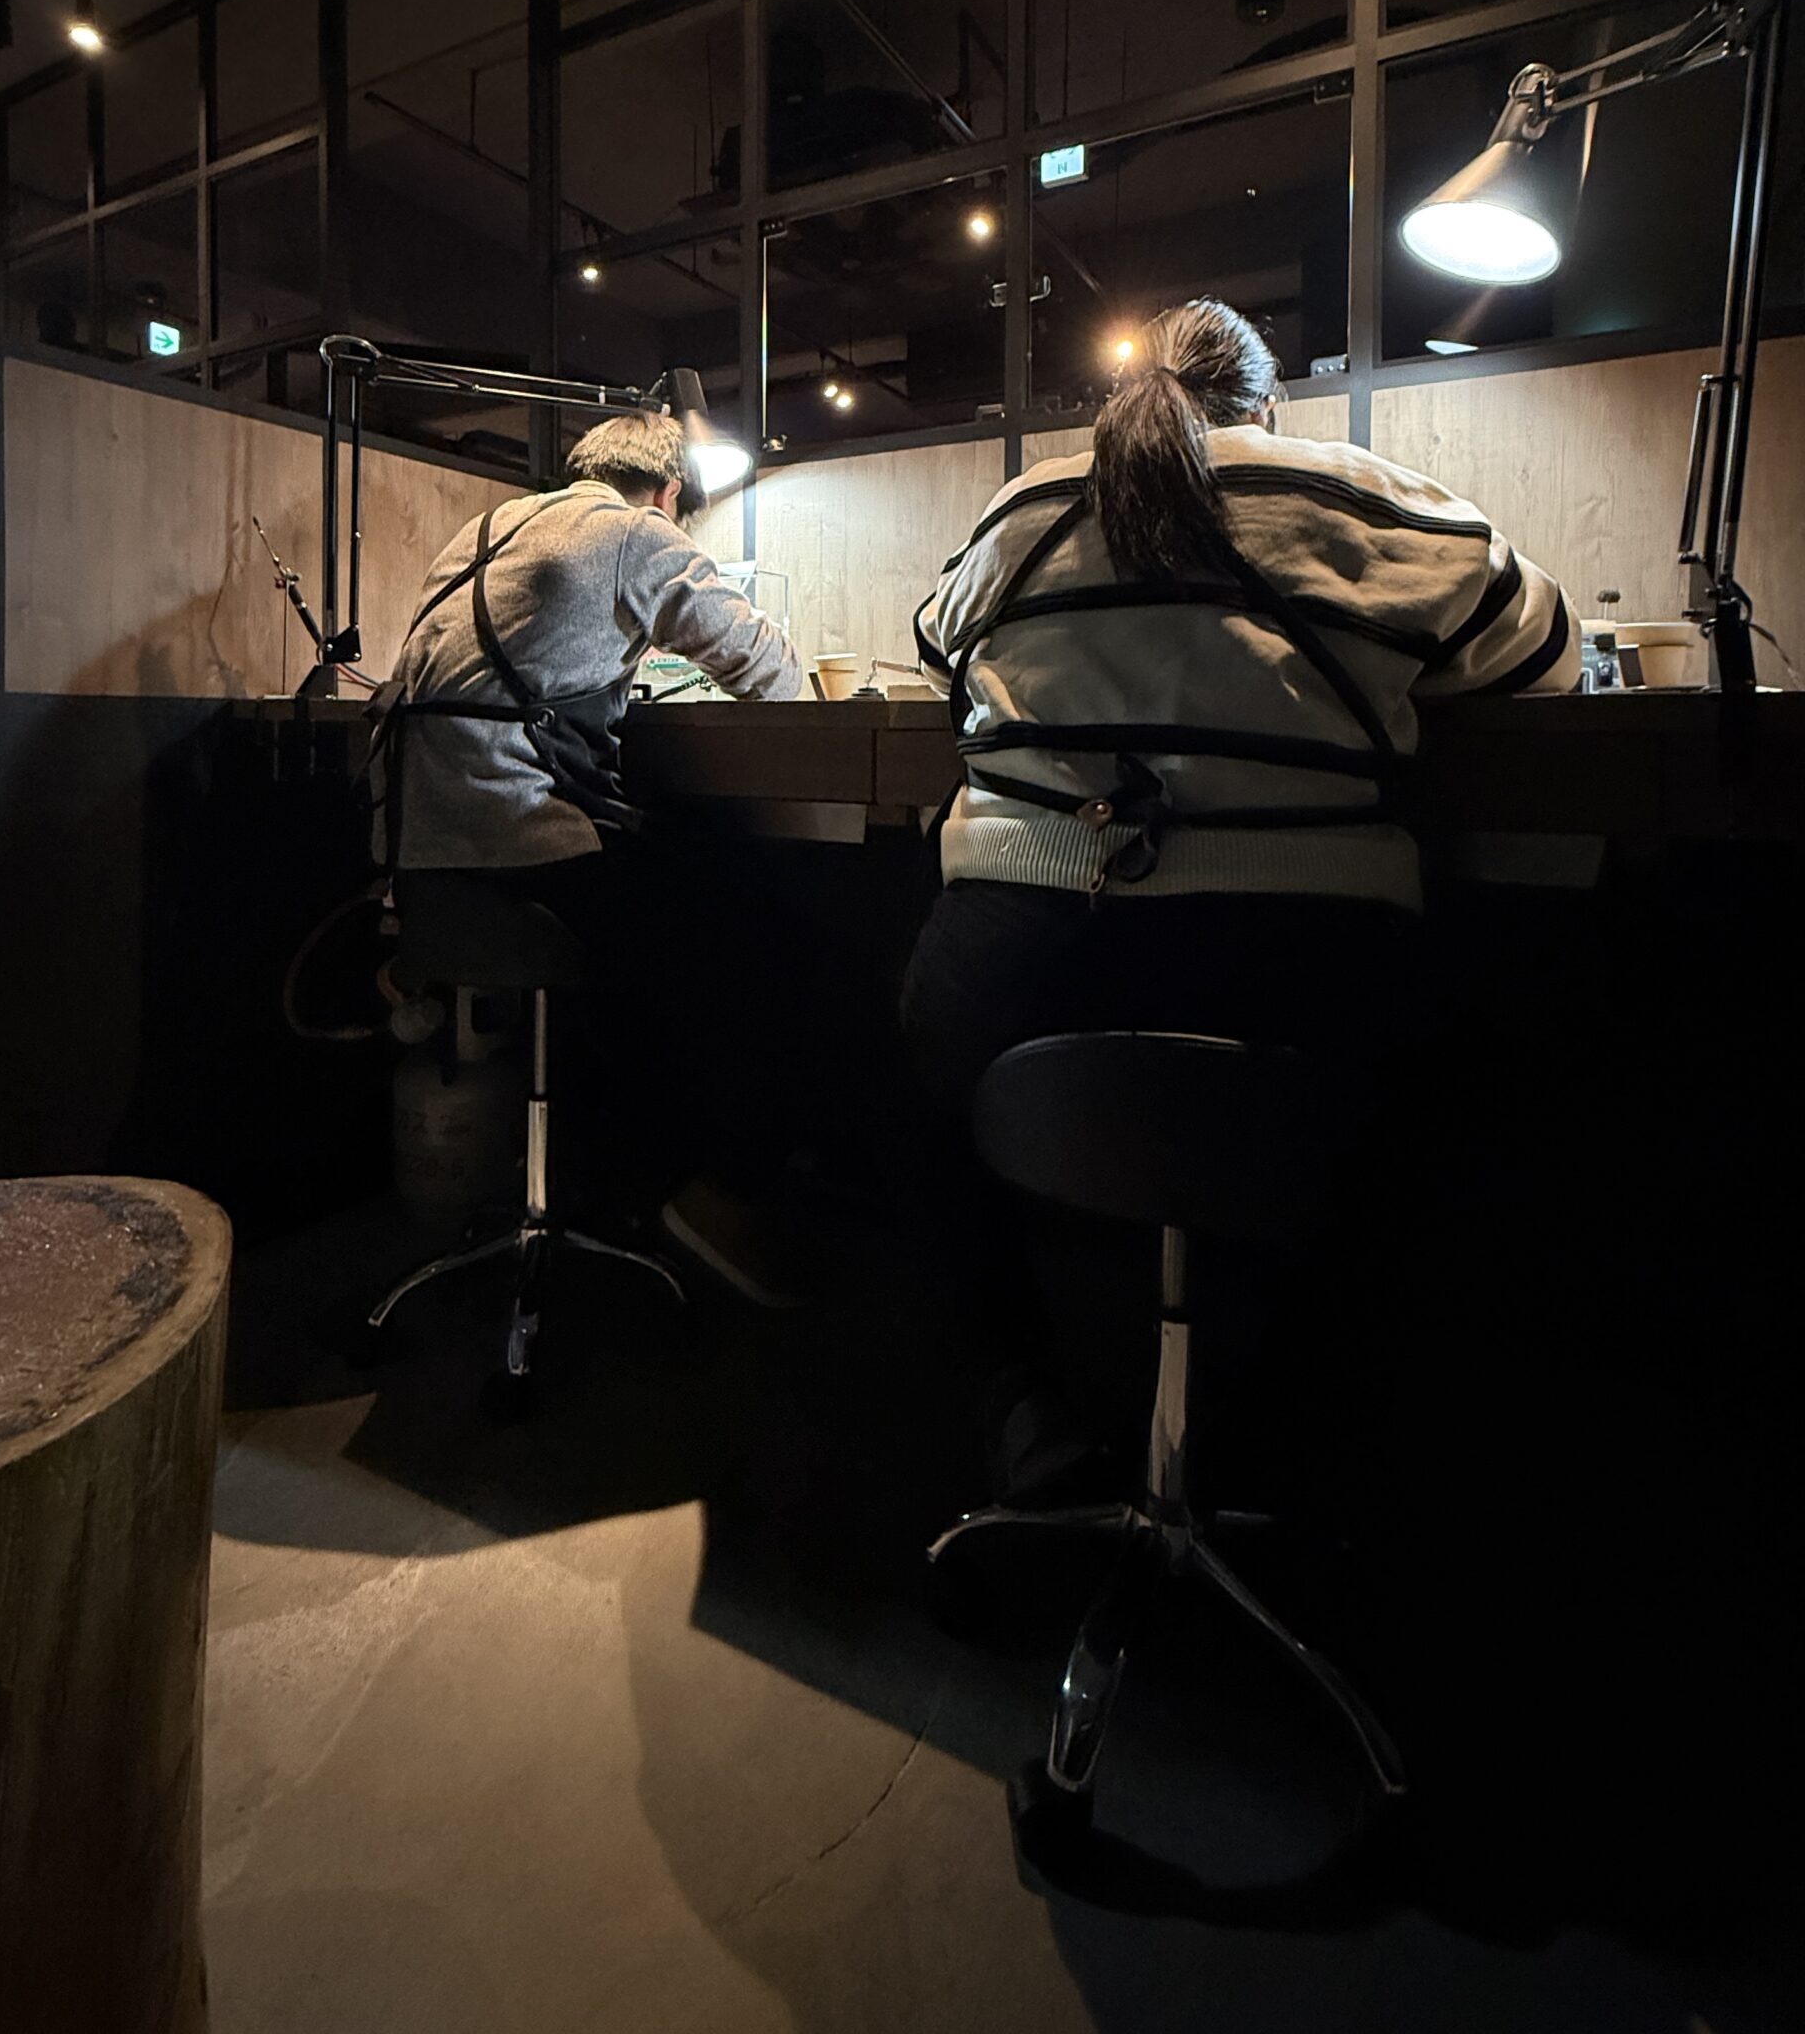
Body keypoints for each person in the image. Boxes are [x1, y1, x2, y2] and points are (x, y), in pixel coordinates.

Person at [902, 297, 1580, 1485]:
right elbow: (1547, 658)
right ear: (1268, 403)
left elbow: (934, 654)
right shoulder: (1370, 498)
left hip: (1015, 955)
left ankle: (1026, 1408)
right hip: (1296, 967)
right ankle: (1307, 1441)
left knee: (931, 1121)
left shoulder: (1027, 507)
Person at [374, 408, 804, 1297]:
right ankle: (720, 1195)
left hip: (419, 866)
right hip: (522, 841)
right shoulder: (634, 532)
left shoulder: (482, 531)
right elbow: (771, 674)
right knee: (756, 926)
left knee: (661, 916)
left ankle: (621, 1172)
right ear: (671, 491)